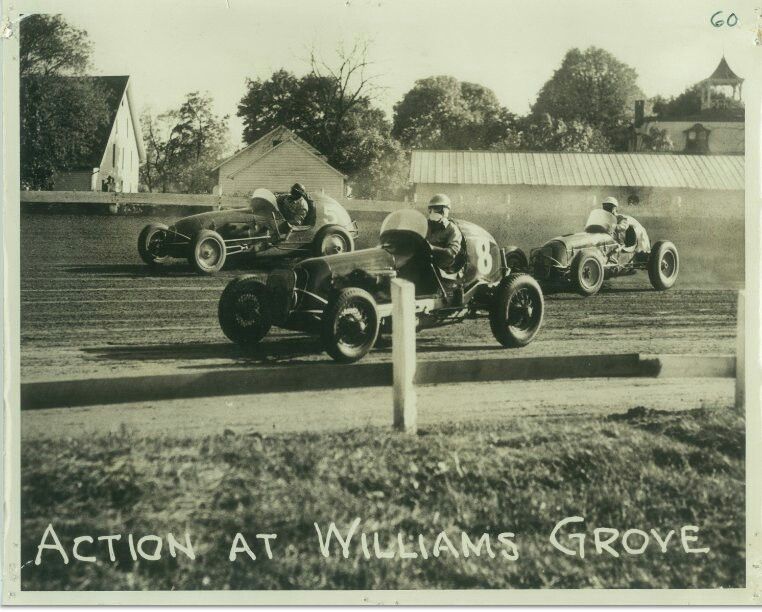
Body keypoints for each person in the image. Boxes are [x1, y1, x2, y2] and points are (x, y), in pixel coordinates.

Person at [426, 193, 463, 273]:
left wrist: (432, 248)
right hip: (424, 263)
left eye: (437, 208)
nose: (433, 211)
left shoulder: (452, 229)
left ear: (445, 210)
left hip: (442, 269)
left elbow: (452, 252)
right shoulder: (424, 225)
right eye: (431, 208)